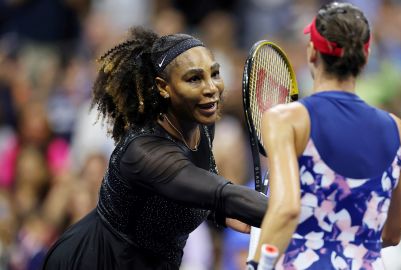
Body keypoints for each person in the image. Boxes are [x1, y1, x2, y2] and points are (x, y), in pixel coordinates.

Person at [42, 26, 267, 270]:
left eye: (214, 74)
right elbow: (218, 192)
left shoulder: (201, 124)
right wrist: (289, 210)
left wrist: (223, 215)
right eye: (194, 78)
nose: (211, 88)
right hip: (95, 261)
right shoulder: (144, 153)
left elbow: (190, 194)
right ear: (163, 87)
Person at [250, 2, 401, 269]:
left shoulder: (285, 119)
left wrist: (257, 265)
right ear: (365, 57)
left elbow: (286, 210)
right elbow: (393, 234)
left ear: (312, 52)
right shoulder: (398, 129)